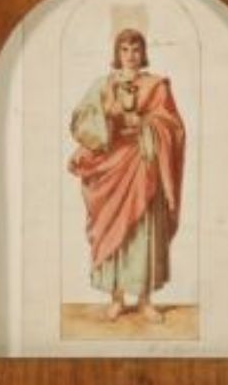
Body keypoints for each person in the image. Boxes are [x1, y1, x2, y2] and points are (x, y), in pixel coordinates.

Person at [68, 28, 185, 323]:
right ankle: (117, 299)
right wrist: (108, 113)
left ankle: (145, 300)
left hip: (144, 162)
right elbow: (82, 119)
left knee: (145, 230)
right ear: (117, 53)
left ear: (143, 53)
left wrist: (145, 123)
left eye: (135, 49)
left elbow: (173, 126)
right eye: (124, 49)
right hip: (112, 165)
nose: (130, 55)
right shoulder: (103, 84)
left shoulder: (156, 86)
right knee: (113, 229)